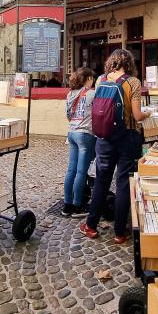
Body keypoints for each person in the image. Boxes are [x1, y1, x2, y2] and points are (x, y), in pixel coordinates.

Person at [80, 49, 151, 244]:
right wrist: (148, 114)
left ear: (112, 62)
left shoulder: (101, 80)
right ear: (129, 64)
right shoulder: (133, 82)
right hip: (127, 138)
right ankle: (120, 232)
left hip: (104, 138)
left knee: (101, 182)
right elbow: (137, 115)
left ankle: (91, 225)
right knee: (123, 185)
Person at [62, 67, 96, 218]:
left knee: (71, 170)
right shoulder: (91, 94)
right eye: (92, 79)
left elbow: (68, 115)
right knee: (82, 171)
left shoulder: (70, 94)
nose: (93, 82)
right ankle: (77, 207)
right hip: (85, 134)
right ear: (88, 79)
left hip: (71, 133)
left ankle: (67, 206)